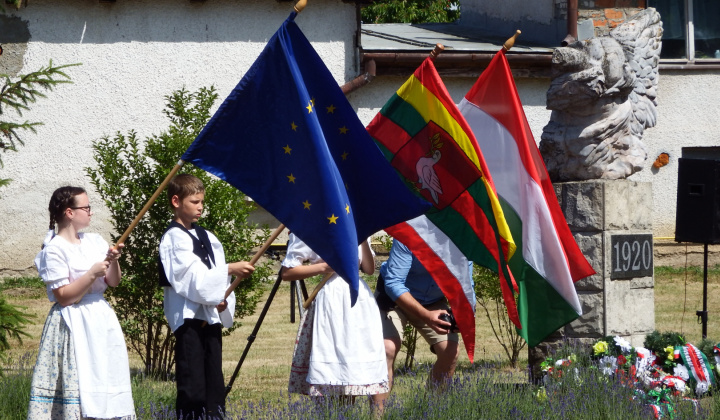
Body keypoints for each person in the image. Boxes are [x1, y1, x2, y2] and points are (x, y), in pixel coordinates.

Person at [28, 186, 135, 420]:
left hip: (100, 318)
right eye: (86, 207)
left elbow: (114, 282)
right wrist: (91, 274)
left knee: (104, 374)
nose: (90, 212)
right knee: (80, 377)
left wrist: (113, 261)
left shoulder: (94, 241)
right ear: (69, 212)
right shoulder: (54, 249)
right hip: (73, 321)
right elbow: (64, 296)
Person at [158, 174, 255, 420]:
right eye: (194, 201)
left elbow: (215, 273)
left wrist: (221, 298)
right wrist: (230, 270)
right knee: (193, 388)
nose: (200, 207)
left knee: (214, 385)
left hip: (209, 317)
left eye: (202, 201)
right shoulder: (173, 238)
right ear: (176, 201)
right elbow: (189, 277)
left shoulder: (208, 236)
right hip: (189, 320)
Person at [281, 232, 388, 412]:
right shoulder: (313, 225)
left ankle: (353, 413)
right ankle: (333, 413)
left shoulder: (357, 226)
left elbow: (368, 269)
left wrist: (362, 237)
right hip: (331, 298)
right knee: (332, 363)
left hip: (358, 298)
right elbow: (287, 272)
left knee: (355, 360)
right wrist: (324, 267)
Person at [375, 239, 473, 399]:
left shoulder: (462, 238)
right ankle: (377, 416)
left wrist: (466, 314)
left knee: (450, 352)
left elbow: (466, 286)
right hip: (394, 299)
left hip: (433, 301)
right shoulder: (409, 232)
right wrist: (426, 316)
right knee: (387, 348)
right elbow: (393, 283)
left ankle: (429, 410)